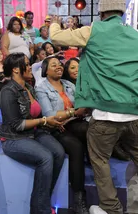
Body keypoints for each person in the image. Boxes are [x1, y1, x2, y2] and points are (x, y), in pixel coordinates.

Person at [49, 0, 138, 213]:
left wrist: (53, 22)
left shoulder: (93, 31)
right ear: (121, 12)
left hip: (105, 114)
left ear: (101, 12)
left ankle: (110, 207)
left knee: (99, 159)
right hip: (136, 111)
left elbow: (56, 37)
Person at [0, 53, 65, 214]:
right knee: (45, 157)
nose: (30, 67)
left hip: (33, 133)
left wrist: (50, 120)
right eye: (26, 65)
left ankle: (42, 201)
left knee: (58, 152)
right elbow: (17, 125)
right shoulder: (7, 91)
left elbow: (37, 114)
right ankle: (41, 209)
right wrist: (44, 121)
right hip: (13, 139)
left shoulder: (28, 87)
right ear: (15, 69)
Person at [35, 56, 90, 214]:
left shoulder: (68, 85)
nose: (59, 67)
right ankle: (79, 198)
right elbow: (50, 114)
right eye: (54, 65)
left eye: (60, 65)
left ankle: (115, 152)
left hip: (72, 124)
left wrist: (70, 114)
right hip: (54, 129)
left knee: (91, 128)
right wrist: (73, 112)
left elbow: (82, 104)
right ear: (45, 70)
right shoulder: (41, 88)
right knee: (75, 147)